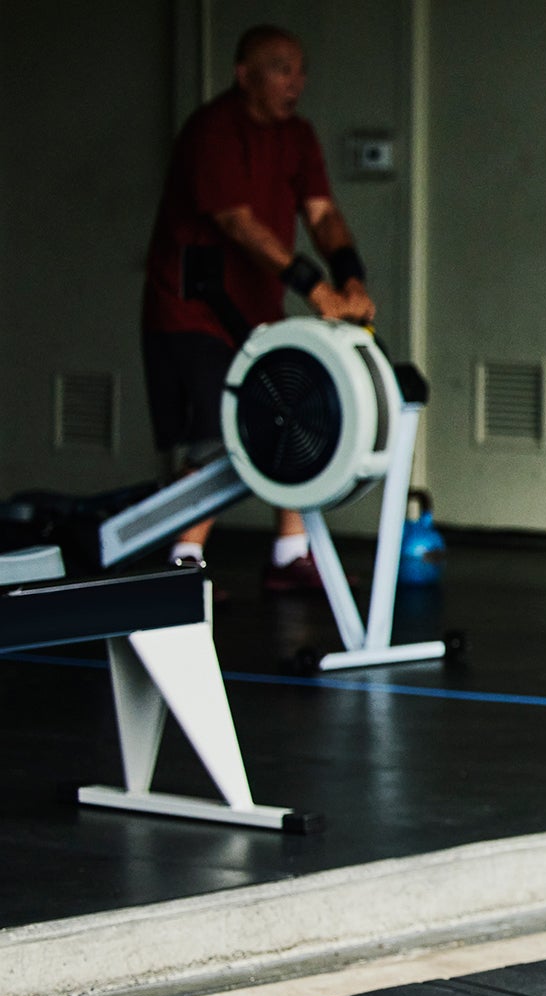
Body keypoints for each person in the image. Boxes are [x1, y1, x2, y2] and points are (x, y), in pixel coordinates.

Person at [141, 25, 377, 590]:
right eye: (280, 68)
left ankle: (289, 553)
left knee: (286, 416)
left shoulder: (298, 136)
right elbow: (237, 223)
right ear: (244, 74)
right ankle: (183, 561)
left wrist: (351, 278)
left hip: (257, 312)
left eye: (299, 69)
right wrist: (314, 288)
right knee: (214, 434)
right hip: (192, 310)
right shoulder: (212, 131)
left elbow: (321, 214)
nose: (295, 82)